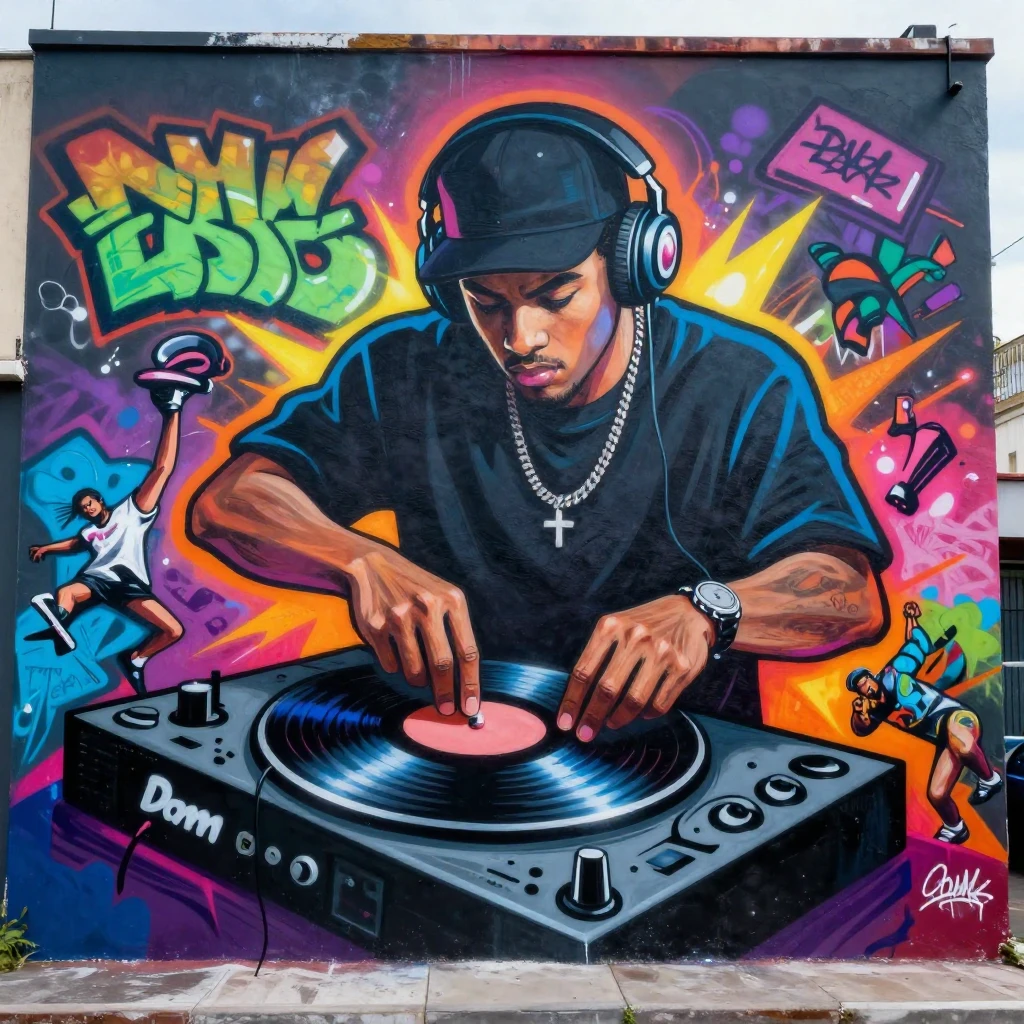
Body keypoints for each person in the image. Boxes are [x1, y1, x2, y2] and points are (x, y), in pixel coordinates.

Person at [192, 102, 892, 740]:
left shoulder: (742, 378)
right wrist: (357, 560)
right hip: (456, 758)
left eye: (555, 294)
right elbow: (229, 503)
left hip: (678, 767)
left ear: (633, 263)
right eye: (485, 300)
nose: (519, 337)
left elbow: (849, 593)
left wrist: (709, 612)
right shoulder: (400, 366)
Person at [29, 389, 186, 693]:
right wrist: (47, 548)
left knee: (173, 630)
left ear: (100, 500)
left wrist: (173, 412)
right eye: (82, 509)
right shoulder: (89, 533)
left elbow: (162, 470)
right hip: (98, 579)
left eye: (89, 503)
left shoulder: (133, 511)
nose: (87, 510)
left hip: (129, 585)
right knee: (68, 591)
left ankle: (136, 659)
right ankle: (60, 621)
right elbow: (74, 545)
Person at [848, 601, 1001, 844]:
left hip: (956, 717)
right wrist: (858, 713)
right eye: (861, 688)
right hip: (946, 739)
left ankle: (989, 779)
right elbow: (861, 728)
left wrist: (912, 619)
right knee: (937, 794)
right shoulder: (875, 710)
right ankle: (955, 827)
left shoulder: (894, 673)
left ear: (872, 677)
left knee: (961, 743)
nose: (866, 688)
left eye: (866, 681)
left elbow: (915, 646)